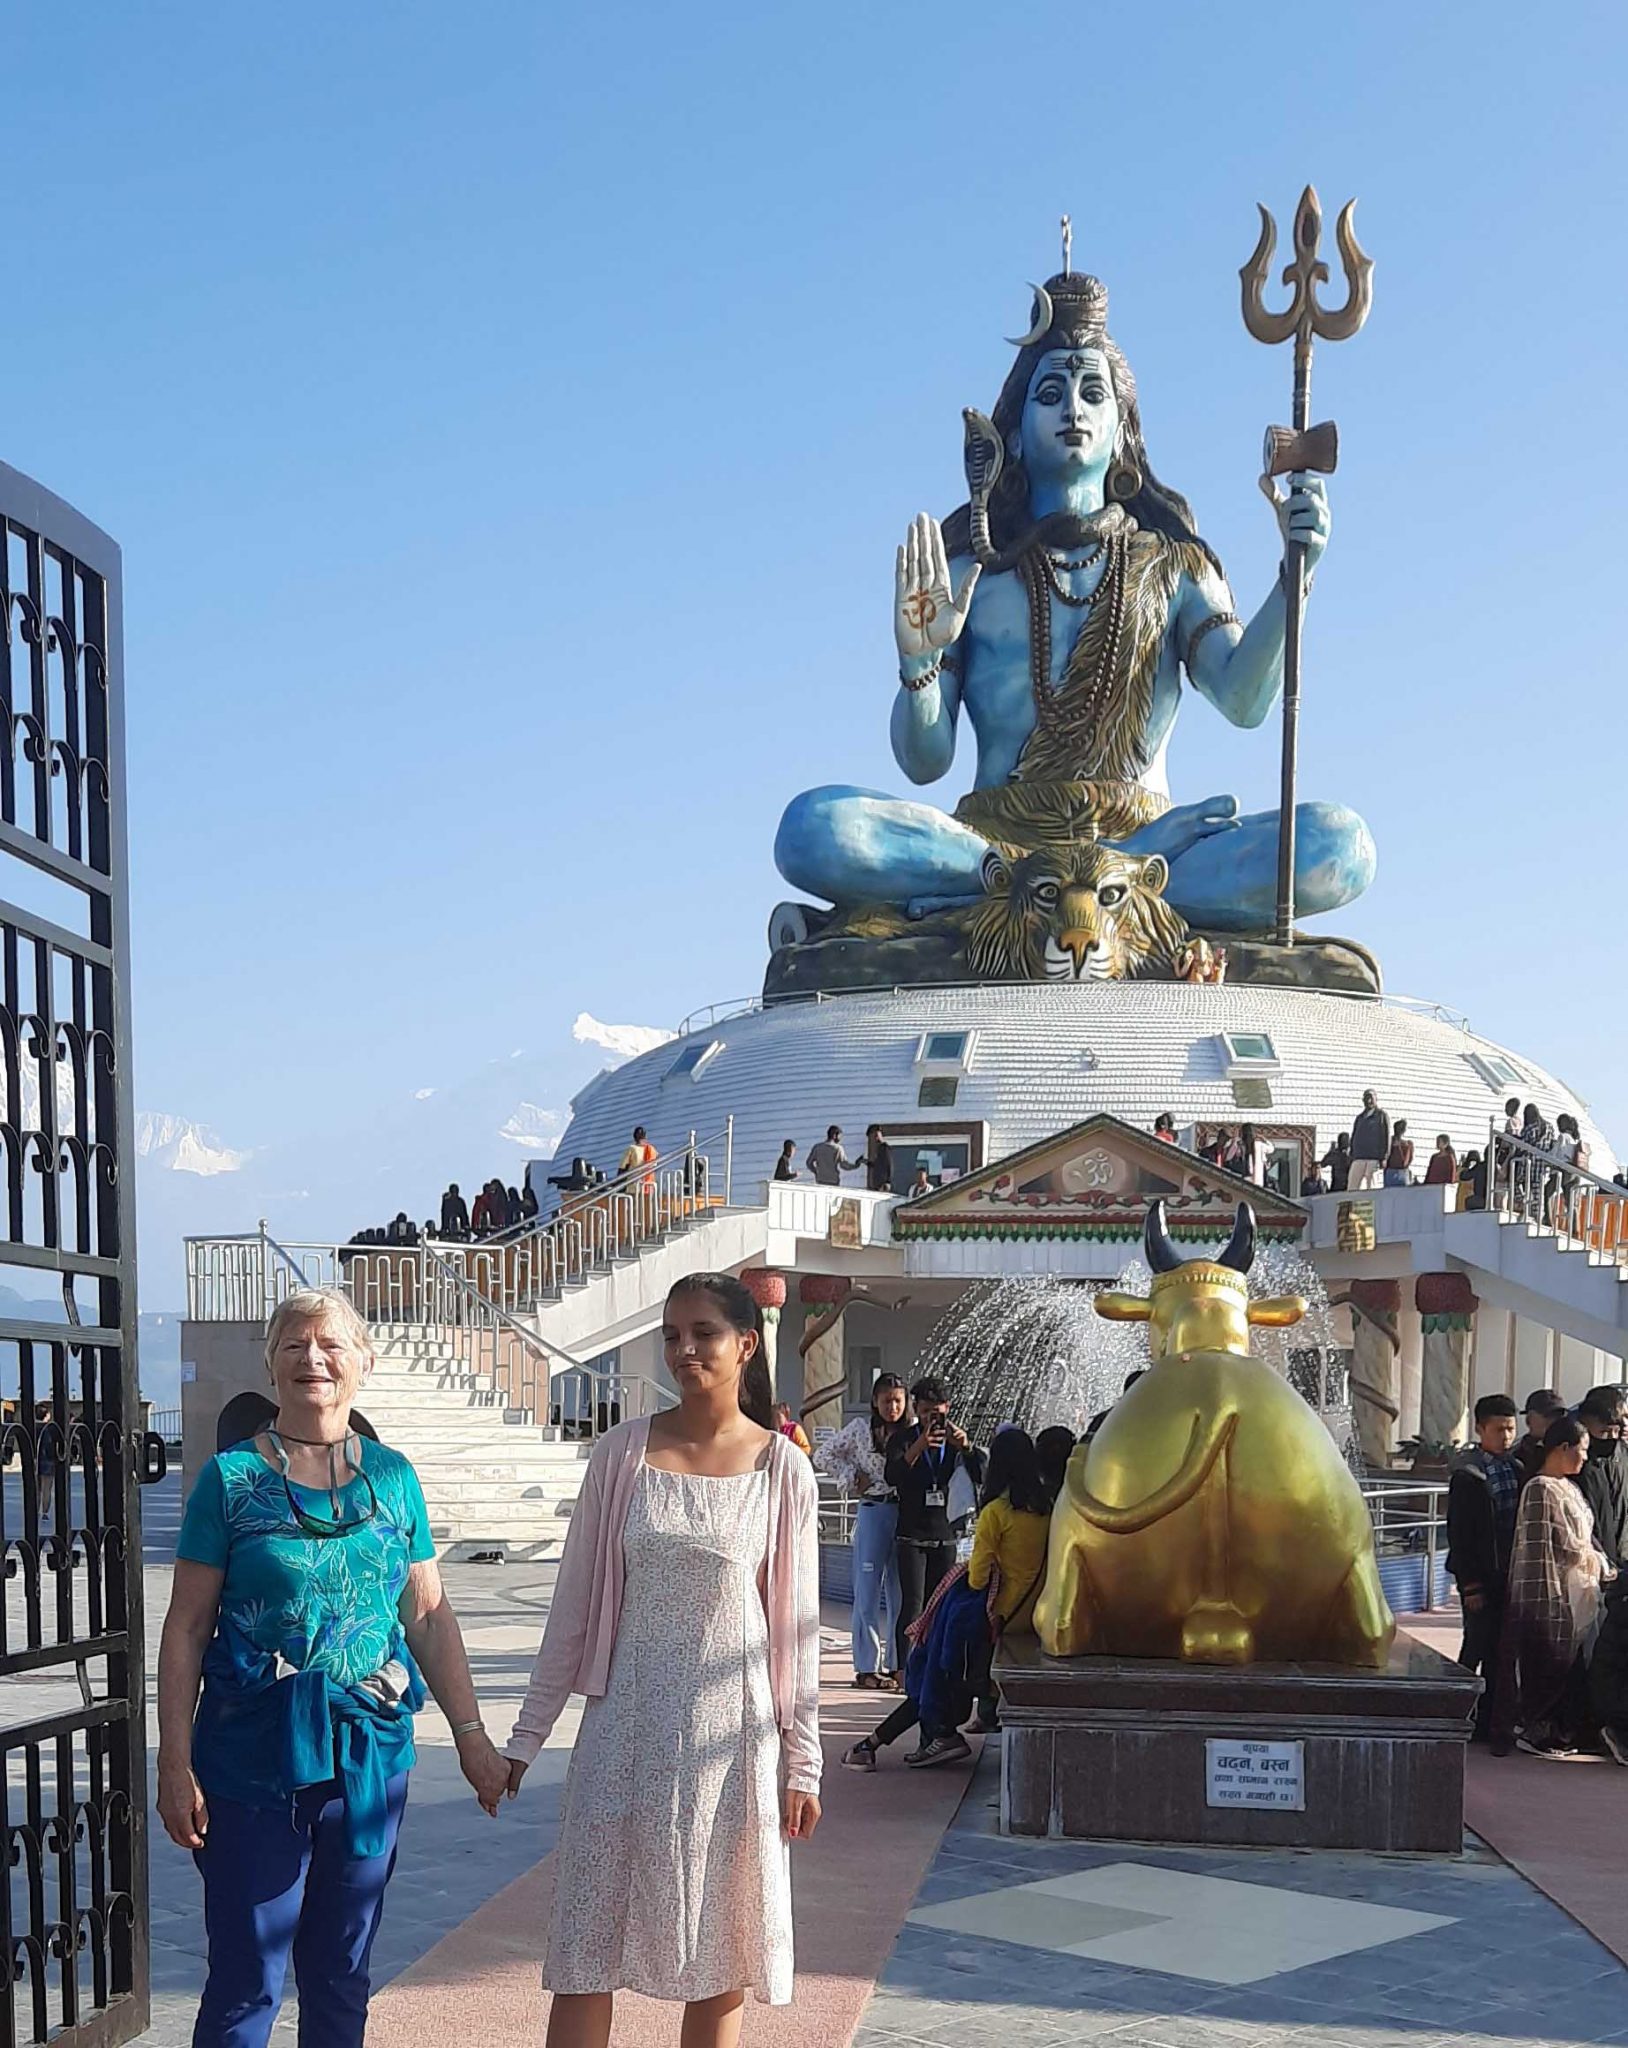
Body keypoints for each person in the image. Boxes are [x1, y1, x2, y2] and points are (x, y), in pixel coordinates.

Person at [157, 1287, 508, 2048]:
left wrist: (473, 1734)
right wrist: (173, 1760)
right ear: (272, 1365)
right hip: (251, 1760)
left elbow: (429, 1615)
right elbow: (185, 1627)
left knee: (342, 1971)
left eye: (330, 1345)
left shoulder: (393, 1479)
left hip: (366, 1762)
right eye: (293, 1345)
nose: (312, 1359)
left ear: (363, 1364)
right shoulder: (231, 1482)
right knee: (247, 1977)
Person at [501, 1273, 820, 2044]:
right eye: (671, 1335)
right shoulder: (621, 1454)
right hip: (624, 1729)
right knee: (585, 1944)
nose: (684, 1350)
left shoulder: (782, 1470)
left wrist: (802, 1763)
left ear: (745, 1344)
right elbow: (573, 1607)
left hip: (731, 1740)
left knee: (719, 1954)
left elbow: (796, 1632)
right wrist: (526, 1737)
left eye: (702, 1334)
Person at [844, 1427, 1056, 1773]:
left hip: (995, 1613)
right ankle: (881, 1743)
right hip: (1030, 1611)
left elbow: (978, 1576)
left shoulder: (997, 1514)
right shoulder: (1048, 1511)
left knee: (931, 1660)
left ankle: (912, 1738)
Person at [1491, 1414, 1611, 1757]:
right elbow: (1546, 1549)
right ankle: (1534, 1730)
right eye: (1582, 1449)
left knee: (1569, 1668)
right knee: (1543, 1664)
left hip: (1576, 1590)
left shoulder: (1568, 1487)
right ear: (1563, 1447)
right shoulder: (1540, 1488)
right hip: (1549, 1590)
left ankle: (1557, 1729)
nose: (1585, 1457)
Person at [884, 1378, 984, 1677]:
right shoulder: (904, 1439)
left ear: (948, 1409)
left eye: (937, 1412)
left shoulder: (955, 1442)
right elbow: (893, 1476)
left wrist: (965, 1446)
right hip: (912, 1534)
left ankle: (935, 1666)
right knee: (912, 1604)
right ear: (915, 1408)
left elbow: (981, 1475)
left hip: (945, 1534)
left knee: (940, 1606)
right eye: (925, 1411)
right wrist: (919, 1446)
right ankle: (904, 1669)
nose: (931, 1418)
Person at [816, 1373, 908, 1689]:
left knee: (900, 1594)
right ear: (874, 1402)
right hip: (872, 1510)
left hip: (905, 1514)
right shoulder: (859, 1431)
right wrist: (851, 1475)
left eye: (898, 1400)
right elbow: (823, 1454)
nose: (892, 1407)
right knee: (866, 1592)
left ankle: (897, 1663)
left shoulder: (911, 1434)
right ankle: (866, 1667)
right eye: (886, 1401)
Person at [1446, 1395, 1520, 1742]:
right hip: (1480, 1576)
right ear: (1480, 1429)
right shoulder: (1468, 1476)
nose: (1506, 1436)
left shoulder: (1516, 1468)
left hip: (1507, 1573)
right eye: (1498, 1429)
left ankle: (1489, 1719)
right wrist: (1470, 1585)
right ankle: (1453, 1712)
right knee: (1475, 1645)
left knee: (1499, 1650)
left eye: (1510, 1428)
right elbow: (1459, 1535)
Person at [1576, 1385, 1628, 1572]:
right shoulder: (1579, 1462)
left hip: (1622, 1557)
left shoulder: (1622, 1453)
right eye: (1605, 1431)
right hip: (1593, 1563)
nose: (1612, 1436)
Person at [1514, 1389, 1567, 1483]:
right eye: (1548, 1416)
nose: (1554, 1422)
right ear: (1529, 1419)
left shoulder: (1570, 1453)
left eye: (1559, 1417)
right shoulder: (1514, 1457)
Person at [1348, 1091, 1390, 1192]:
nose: (1369, 1101)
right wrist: (1352, 1152)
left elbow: (1386, 1135)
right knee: (1352, 1187)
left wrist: (1384, 1156)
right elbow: (1354, 1135)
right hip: (1359, 1157)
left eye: (1371, 1098)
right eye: (1366, 1098)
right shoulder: (1360, 1118)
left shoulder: (1381, 1116)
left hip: (1373, 1158)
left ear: (1376, 1099)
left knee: (1372, 1187)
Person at [1383, 1118, 1414, 1188]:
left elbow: (1409, 1159)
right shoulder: (1390, 1142)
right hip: (1393, 1170)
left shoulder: (1407, 1144)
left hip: (1401, 1171)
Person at [864, 1123, 894, 1193]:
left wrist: (888, 1181)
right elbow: (877, 1165)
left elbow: (889, 1164)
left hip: (883, 1185)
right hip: (876, 1185)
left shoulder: (884, 1148)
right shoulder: (877, 1149)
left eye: (874, 1136)